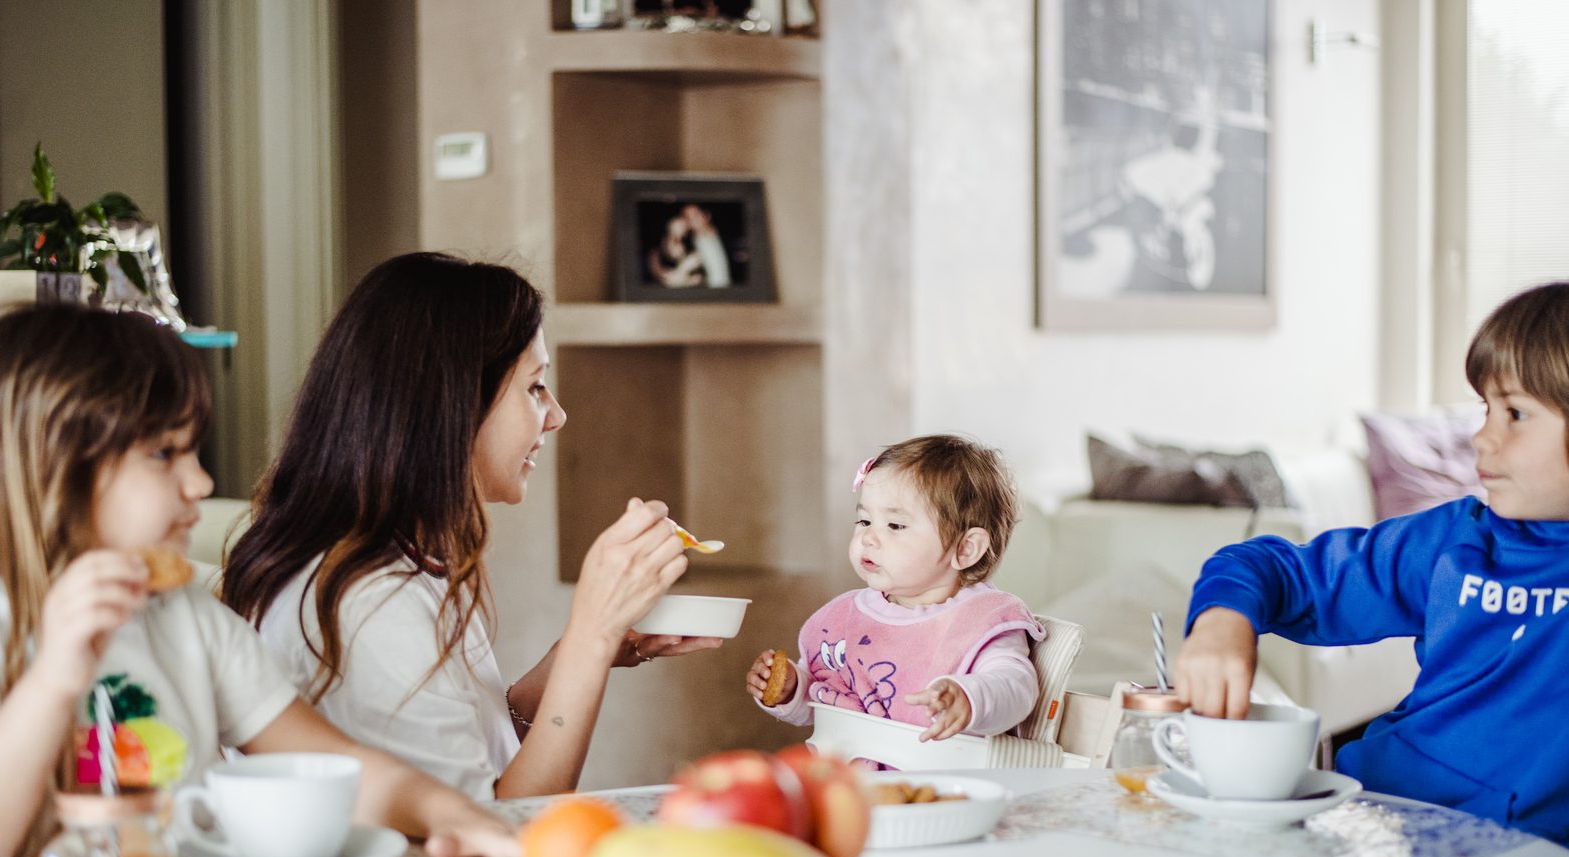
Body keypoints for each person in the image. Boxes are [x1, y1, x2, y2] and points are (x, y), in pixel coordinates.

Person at [0, 305, 517, 857]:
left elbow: (335, 764)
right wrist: (53, 679)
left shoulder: (189, 620)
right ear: (55, 468)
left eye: (193, 451)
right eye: (163, 453)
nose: (200, 482)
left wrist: (444, 810)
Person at [221, 253, 719, 803]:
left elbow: (471, 743)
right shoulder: (369, 598)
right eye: (535, 388)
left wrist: (581, 656)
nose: (556, 415)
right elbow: (498, 822)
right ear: (452, 406)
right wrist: (590, 634)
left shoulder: (402, 555)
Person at [1175, 282, 1569, 843]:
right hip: (1381, 818)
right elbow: (1274, 569)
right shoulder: (1454, 544)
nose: (1481, 438)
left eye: (1515, 413)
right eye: (1486, 408)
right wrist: (1221, 623)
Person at [745, 435, 1046, 755]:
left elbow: (1016, 686)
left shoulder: (981, 619)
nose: (869, 538)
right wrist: (793, 688)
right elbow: (829, 699)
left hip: (944, 791)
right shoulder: (843, 618)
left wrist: (969, 697)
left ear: (965, 548)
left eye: (895, 525)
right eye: (864, 521)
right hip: (849, 791)